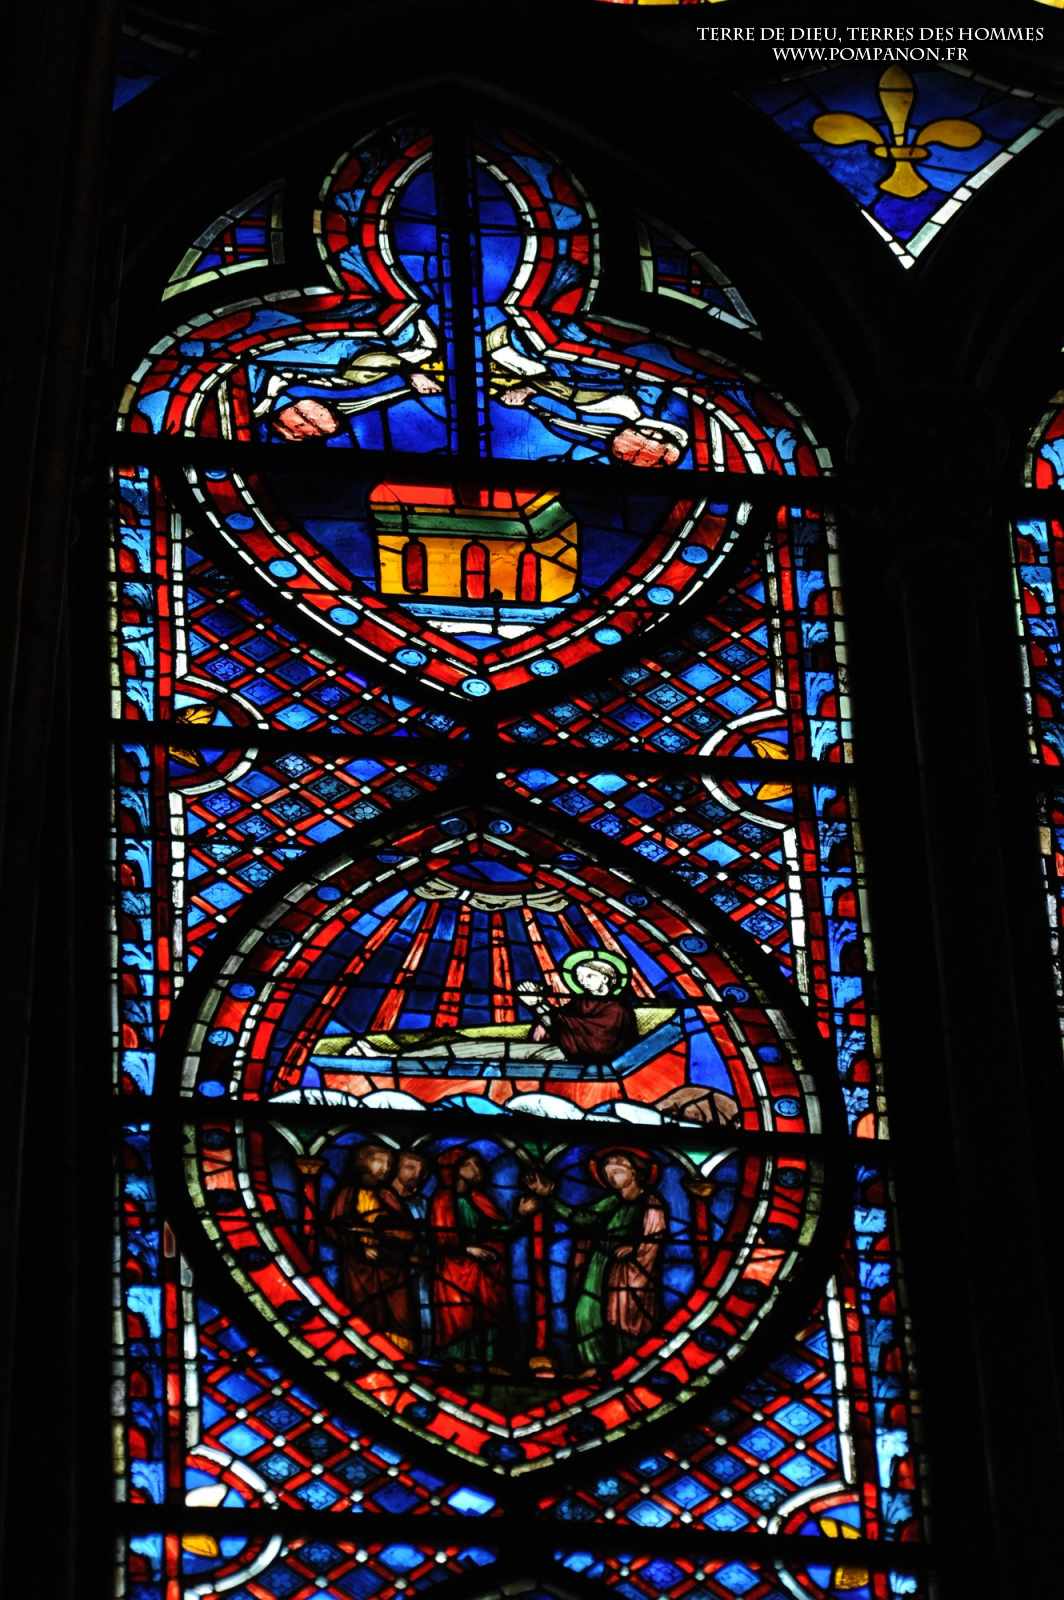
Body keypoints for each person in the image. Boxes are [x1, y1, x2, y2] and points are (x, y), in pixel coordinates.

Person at [526, 1149, 667, 1374]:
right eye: (607, 1174)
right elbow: (583, 1218)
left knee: (625, 1318)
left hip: (631, 1270)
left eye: (617, 1172)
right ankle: (594, 1366)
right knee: (584, 1313)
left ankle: (628, 1367)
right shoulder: (611, 1202)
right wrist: (549, 1196)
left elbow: (654, 1235)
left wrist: (635, 1249)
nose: (612, 1178)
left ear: (635, 1172)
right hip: (599, 1264)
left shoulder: (651, 1203)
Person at [427, 1146, 536, 1369]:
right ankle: (456, 1366)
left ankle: (488, 1365)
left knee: (489, 1319)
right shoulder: (441, 1200)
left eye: (477, 1164)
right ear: (454, 1169)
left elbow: (499, 1231)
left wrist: (520, 1216)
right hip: (454, 1274)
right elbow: (438, 1240)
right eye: (469, 1164)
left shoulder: (479, 1199)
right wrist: (467, 1249)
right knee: (459, 1320)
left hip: (485, 1274)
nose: (477, 1169)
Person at [326, 1143, 418, 1352]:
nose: (385, 1168)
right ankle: (361, 1349)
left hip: (391, 1268)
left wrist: (387, 1239)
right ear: (363, 1162)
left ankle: (398, 1352)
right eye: (379, 1161)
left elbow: (407, 1232)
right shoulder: (347, 1194)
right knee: (363, 1309)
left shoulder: (388, 1196)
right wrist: (359, 1247)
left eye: (389, 1163)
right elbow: (333, 1228)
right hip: (358, 1267)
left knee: (398, 1314)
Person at [517, 950, 639, 1063]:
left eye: (589, 976)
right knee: (510, 1049)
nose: (583, 981)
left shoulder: (617, 1009)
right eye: (580, 977)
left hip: (586, 1056)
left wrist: (539, 1005)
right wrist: (539, 1006)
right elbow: (558, 1021)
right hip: (566, 1048)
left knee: (532, 1056)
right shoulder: (580, 1001)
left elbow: (596, 1043)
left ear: (605, 978)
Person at [390, 1149, 433, 1358]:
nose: (417, 1175)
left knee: (423, 1318)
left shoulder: (423, 1204)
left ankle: (423, 1356)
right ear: (394, 1169)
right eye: (410, 1168)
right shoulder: (380, 1201)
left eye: (422, 1171)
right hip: (389, 1275)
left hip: (421, 1274)